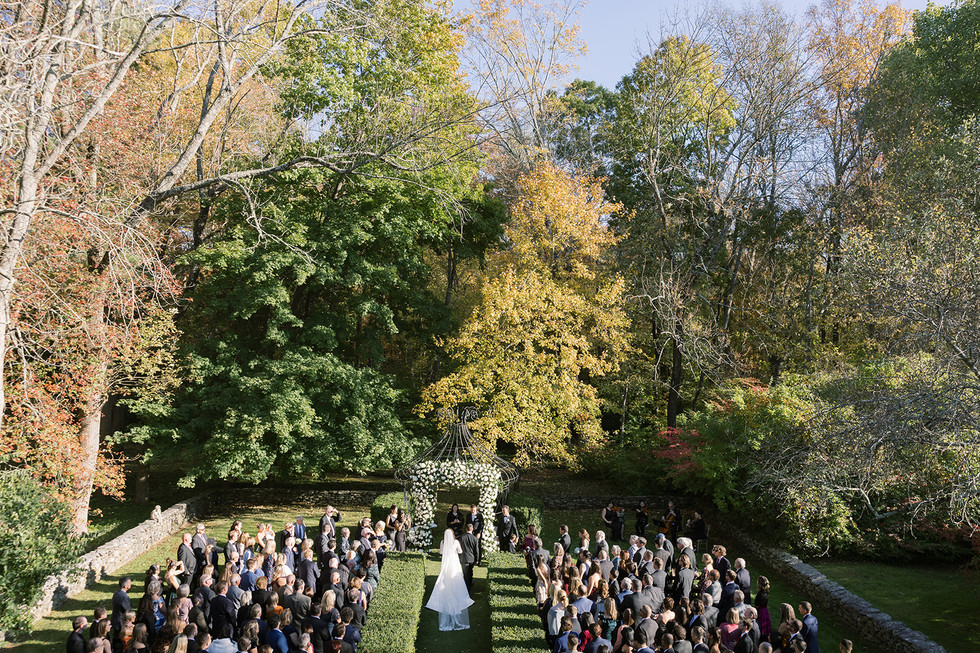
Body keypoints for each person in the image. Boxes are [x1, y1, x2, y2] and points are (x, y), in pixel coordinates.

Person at [424, 529, 474, 631]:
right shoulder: (455, 542)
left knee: (446, 584)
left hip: (446, 566)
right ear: (452, 535)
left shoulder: (442, 542)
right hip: (454, 566)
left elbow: (441, 552)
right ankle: (456, 609)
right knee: (456, 585)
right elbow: (460, 551)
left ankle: (448, 608)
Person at [458, 522, 480, 590]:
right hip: (471, 558)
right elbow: (476, 550)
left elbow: (459, 548)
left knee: (466, 573)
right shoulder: (474, 538)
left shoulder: (462, 537)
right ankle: (468, 585)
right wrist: (477, 560)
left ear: (466, 529)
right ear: (472, 529)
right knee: (470, 572)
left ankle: (467, 586)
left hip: (464, 557)